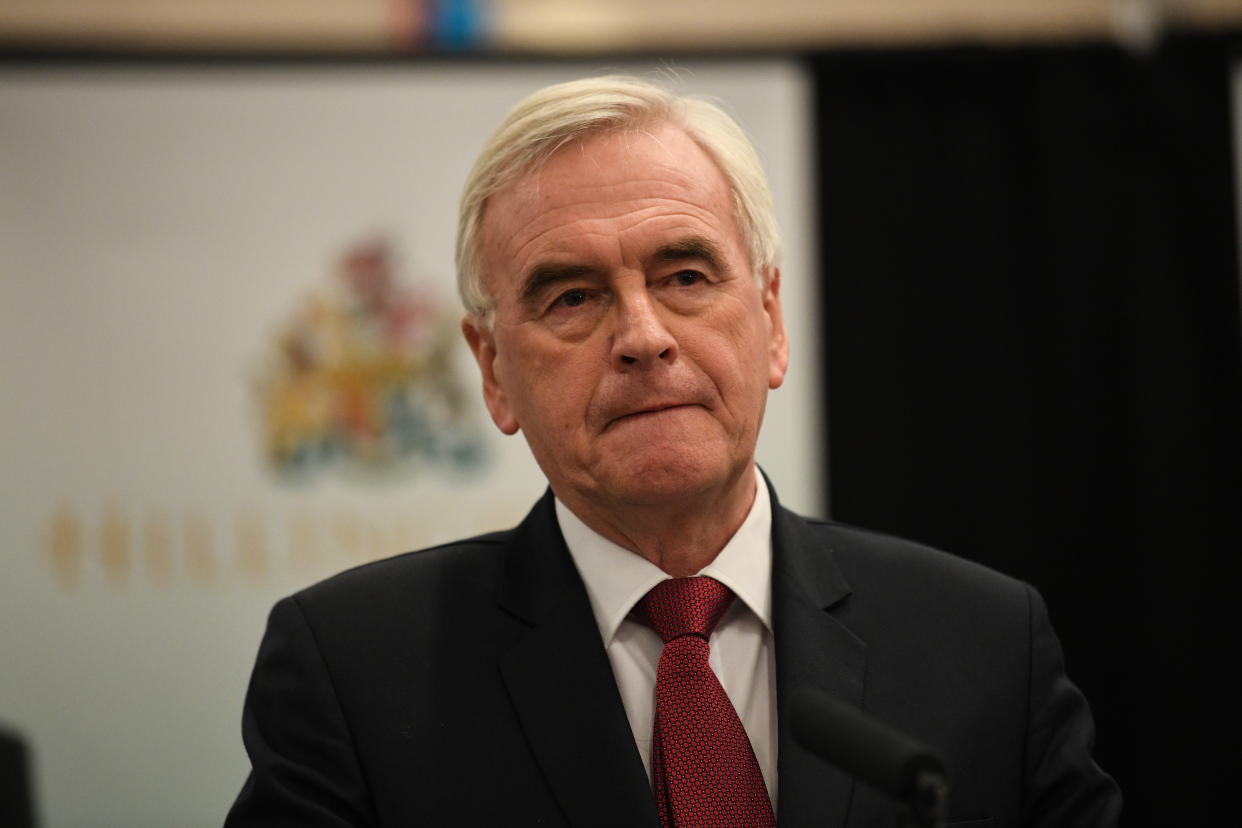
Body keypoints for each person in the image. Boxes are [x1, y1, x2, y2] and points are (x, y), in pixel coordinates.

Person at [225, 75, 1121, 827]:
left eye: (685, 276)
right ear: (493, 370)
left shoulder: (989, 645)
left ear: (770, 320)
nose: (643, 337)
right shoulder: (354, 674)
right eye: (572, 297)